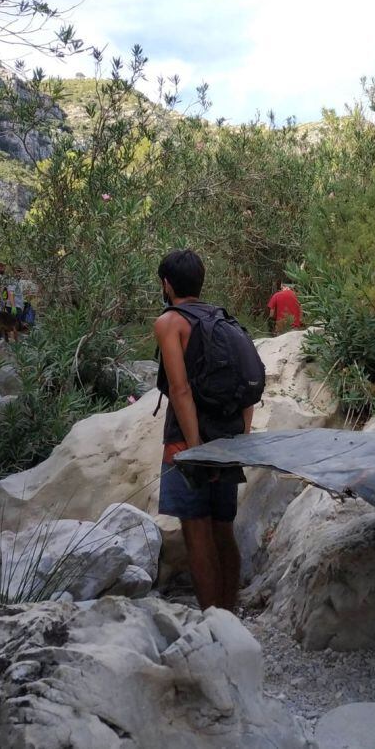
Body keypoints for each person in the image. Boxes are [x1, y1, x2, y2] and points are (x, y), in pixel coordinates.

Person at [154, 249, 254, 612]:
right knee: (223, 529)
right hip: (228, 440)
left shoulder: (170, 322)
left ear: (167, 284)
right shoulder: (225, 320)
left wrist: (195, 447)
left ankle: (212, 621)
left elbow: (180, 389)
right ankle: (229, 615)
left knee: (196, 532)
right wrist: (240, 438)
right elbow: (247, 386)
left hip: (187, 443)